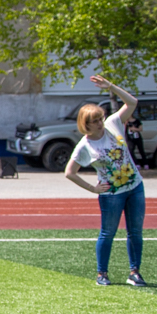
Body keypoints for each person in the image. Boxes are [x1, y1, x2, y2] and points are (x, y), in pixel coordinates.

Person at [64, 77, 145, 287]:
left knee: (135, 232)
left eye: (101, 118)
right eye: (95, 121)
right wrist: (93, 188)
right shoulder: (84, 146)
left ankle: (135, 272)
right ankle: (102, 274)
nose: (100, 123)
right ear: (86, 124)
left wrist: (111, 87)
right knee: (108, 233)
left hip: (135, 187)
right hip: (111, 195)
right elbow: (70, 172)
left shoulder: (113, 123)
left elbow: (132, 102)